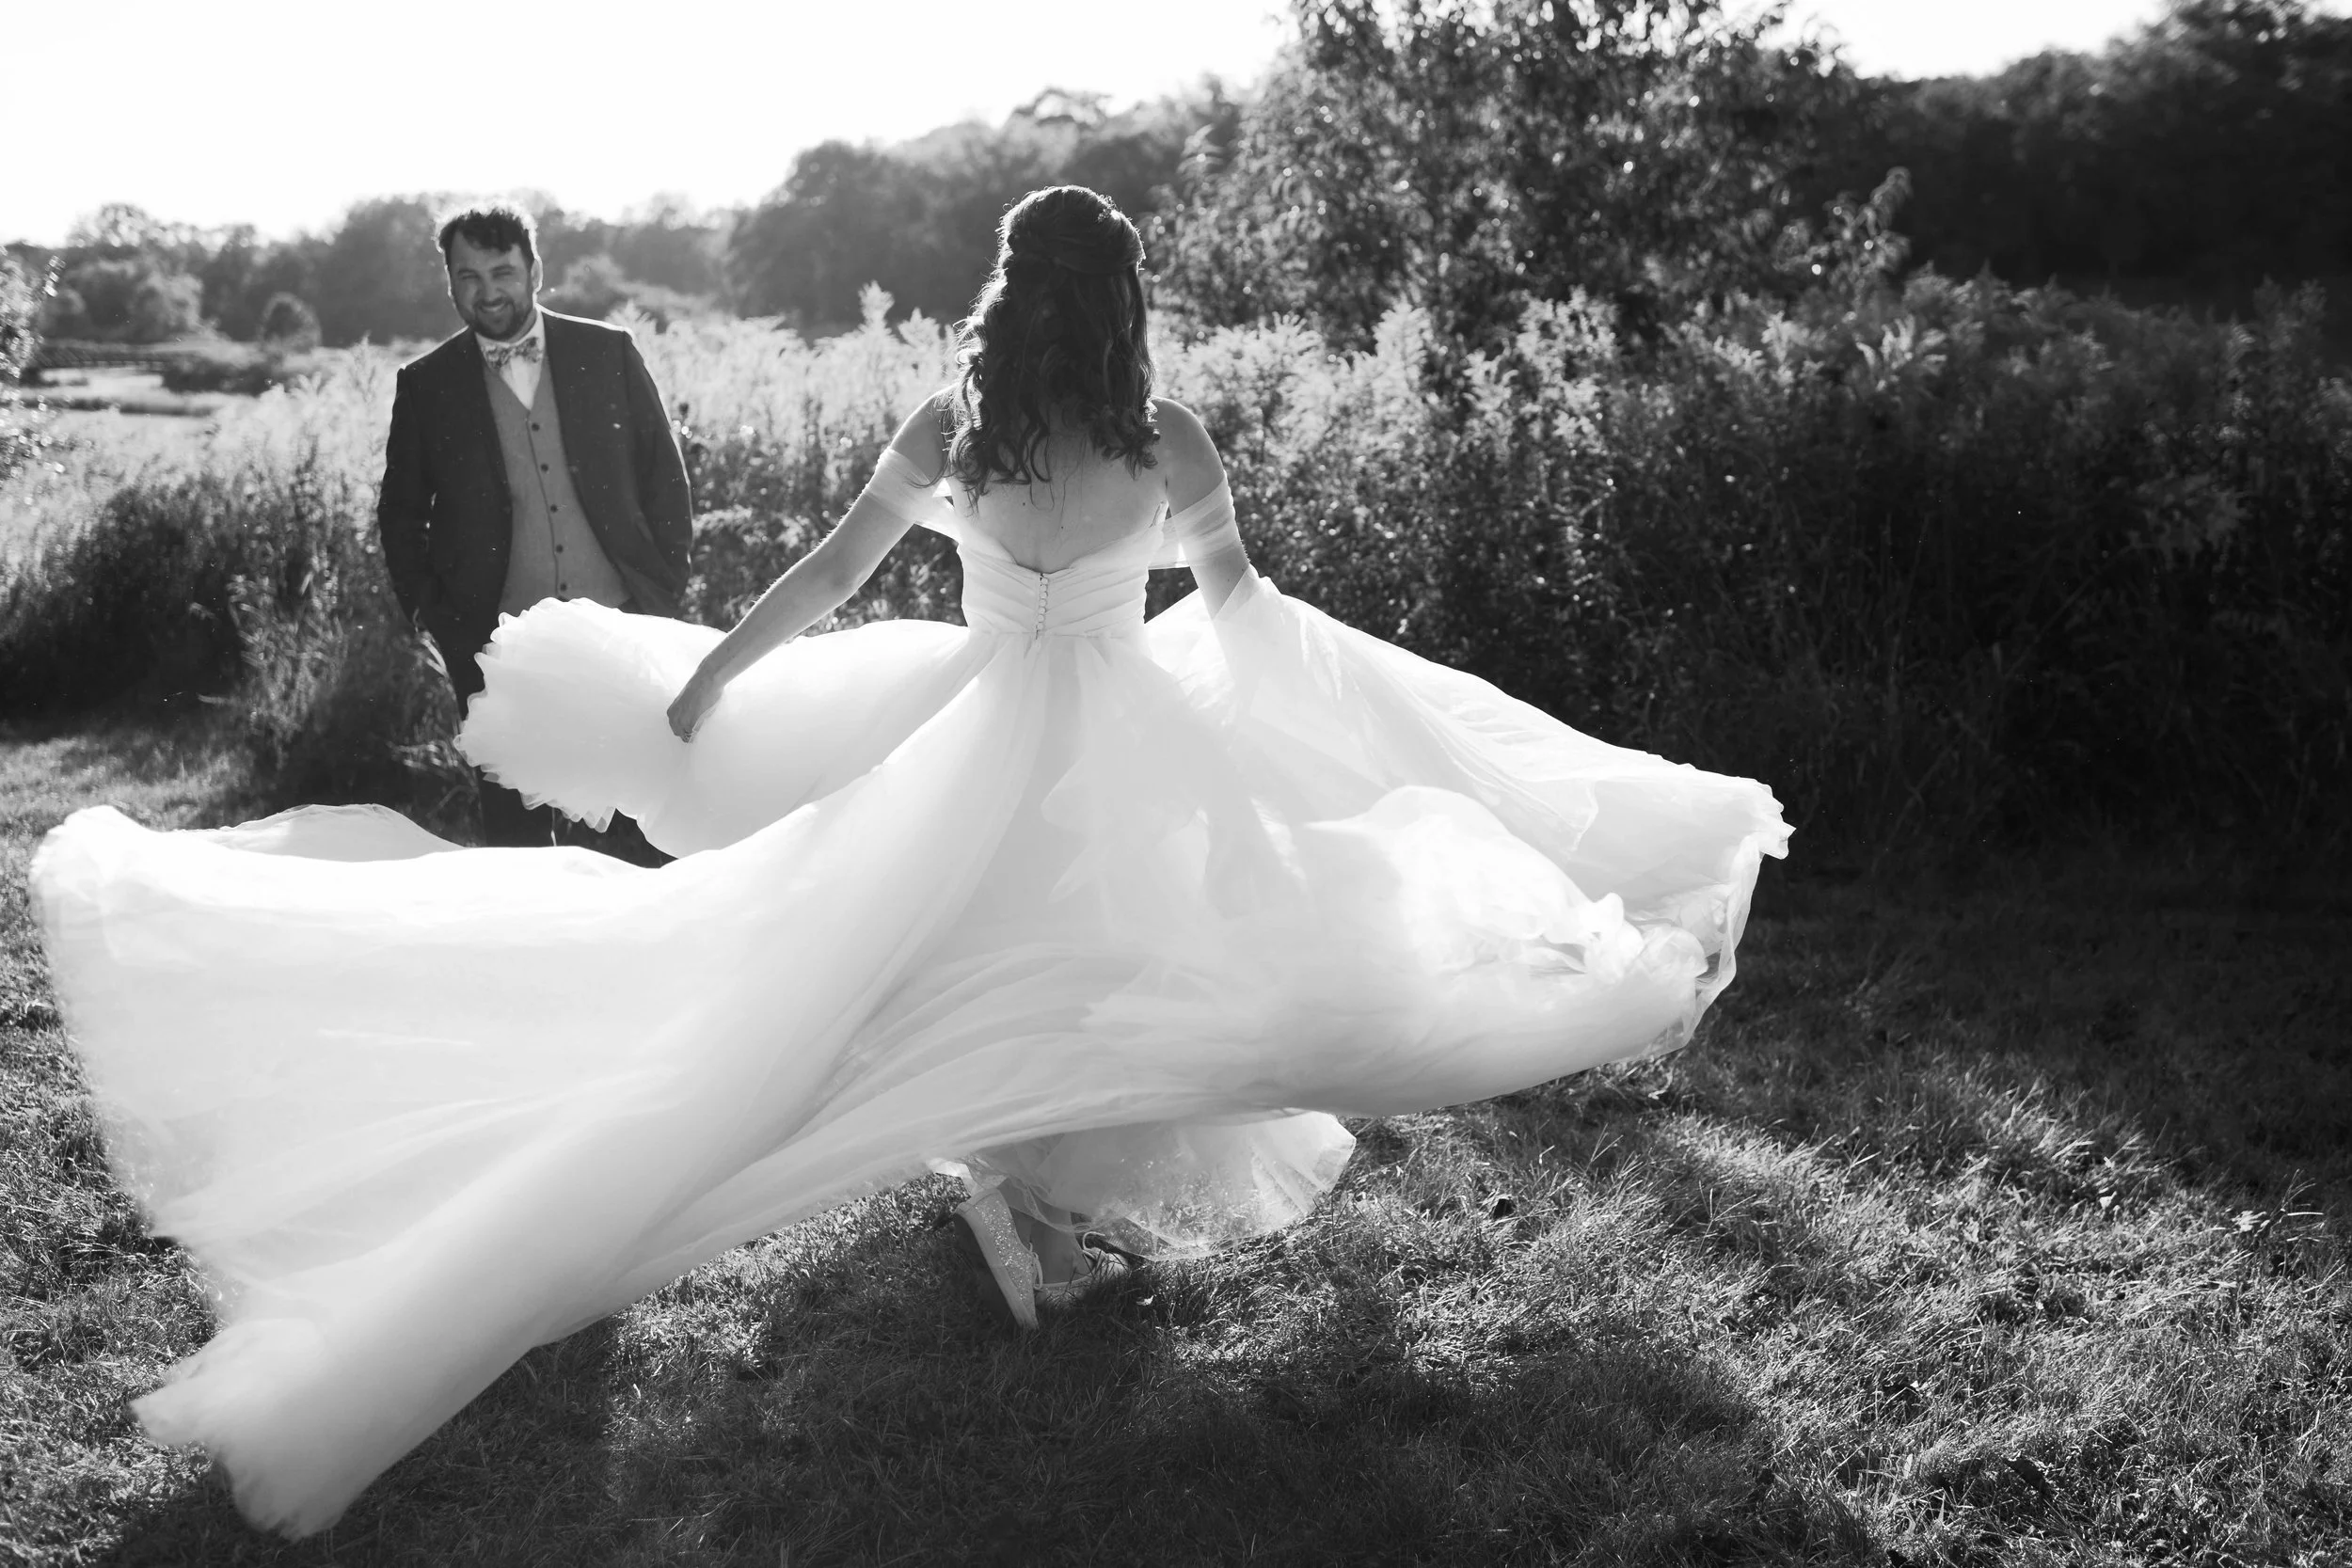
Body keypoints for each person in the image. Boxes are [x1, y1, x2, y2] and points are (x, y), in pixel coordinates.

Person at [29, 185, 1789, 1538]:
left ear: (1010, 300)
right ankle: (1032, 1207)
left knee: (946, 947)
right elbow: (1248, 614)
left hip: (973, 719)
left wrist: (714, 678)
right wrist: (1351, 725)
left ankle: (1026, 1203)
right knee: (1120, 950)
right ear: (1126, 311)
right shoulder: (1161, 439)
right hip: (1118, 725)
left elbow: (827, 573)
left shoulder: (956, 435)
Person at [375, 201, 693, 848]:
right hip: (498, 644)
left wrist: (661, 589)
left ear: (535, 270)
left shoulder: (608, 352)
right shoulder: (426, 384)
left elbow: (664, 475)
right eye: (469, 276)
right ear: (450, 283)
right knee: (517, 832)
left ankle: (635, 943)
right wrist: (438, 619)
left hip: (620, 628)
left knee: (636, 820)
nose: (488, 291)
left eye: (502, 271)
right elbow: (401, 515)